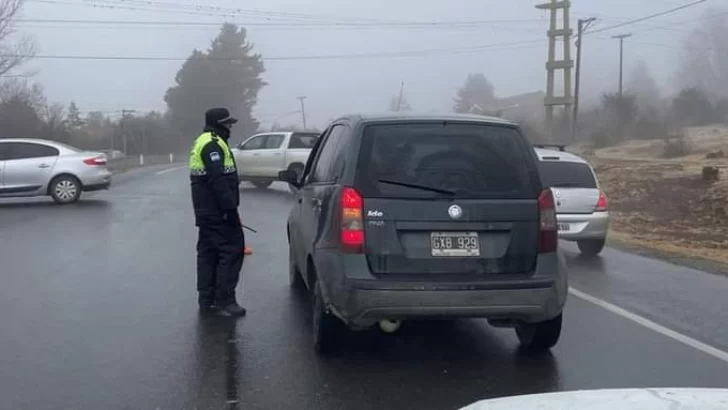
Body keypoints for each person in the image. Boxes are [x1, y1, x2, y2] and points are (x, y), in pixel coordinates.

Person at [189, 107, 247, 317]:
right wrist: (230, 210)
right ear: (219, 124)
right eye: (228, 123)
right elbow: (217, 180)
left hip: (207, 211)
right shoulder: (212, 144)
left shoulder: (205, 140)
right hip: (217, 212)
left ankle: (207, 299)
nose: (231, 126)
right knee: (231, 251)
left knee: (208, 253)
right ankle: (225, 301)